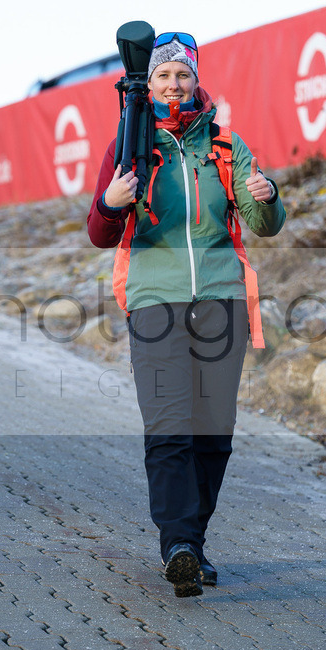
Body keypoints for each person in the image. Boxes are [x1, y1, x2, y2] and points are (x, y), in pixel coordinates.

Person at [87, 31, 286, 597]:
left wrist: (267, 196)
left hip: (222, 301)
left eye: (182, 74)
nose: (174, 84)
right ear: (148, 83)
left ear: (196, 80)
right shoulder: (129, 144)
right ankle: (177, 543)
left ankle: (192, 546)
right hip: (155, 300)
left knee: (213, 434)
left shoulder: (224, 145)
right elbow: (100, 232)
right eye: (163, 75)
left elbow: (264, 224)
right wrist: (110, 204)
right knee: (170, 426)